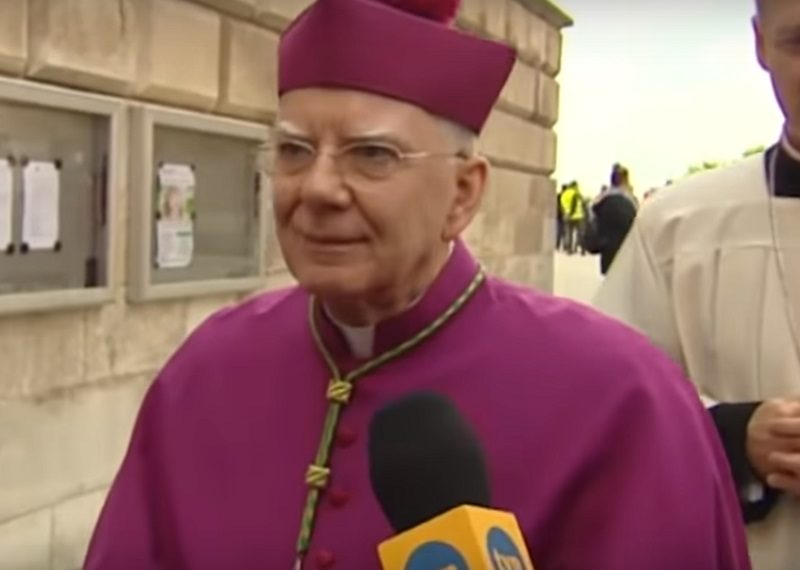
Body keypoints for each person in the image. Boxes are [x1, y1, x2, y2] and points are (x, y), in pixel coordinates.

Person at [84, 0, 750, 568]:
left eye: (372, 155)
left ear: (463, 193)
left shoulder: (623, 400)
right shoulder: (207, 371)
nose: (317, 188)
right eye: (293, 151)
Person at [593, 2, 800, 567]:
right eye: (798, 43)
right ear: (760, 44)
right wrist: (734, 436)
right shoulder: (679, 225)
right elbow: (605, 397)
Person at [583, 164, 638, 275]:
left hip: (606, 250)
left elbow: (592, 222)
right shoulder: (631, 203)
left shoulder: (600, 201)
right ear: (625, 181)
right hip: (625, 252)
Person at [558, 181, 585, 254]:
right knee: (580, 233)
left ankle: (569, 249)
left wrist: (566, 212)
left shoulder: (565, 194)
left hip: (568, 216)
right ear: (575, 186)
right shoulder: (577, 193)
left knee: (569, 233)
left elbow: (562, 204)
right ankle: (581, 249)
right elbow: (582, 203)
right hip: (578, 215)